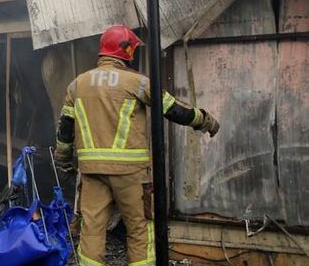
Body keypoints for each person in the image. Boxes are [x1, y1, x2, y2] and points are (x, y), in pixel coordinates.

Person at [54, 25, 220, 266]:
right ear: (127, 51)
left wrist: (64, 160)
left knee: (91, 230)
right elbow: (173, 110)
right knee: (139, 227)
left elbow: (65, 130)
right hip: (130, 173)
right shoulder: (138, 83)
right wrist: (204, 120)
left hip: (92, 172)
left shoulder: (77, 84)